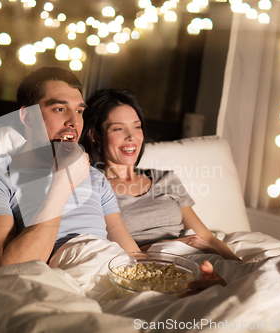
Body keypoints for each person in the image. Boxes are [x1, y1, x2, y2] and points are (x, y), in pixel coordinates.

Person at [0, 67, 225, 292]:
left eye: (79, 111)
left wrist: (176, 283)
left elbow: (132, 257)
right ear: (27, 116)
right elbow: (9, 272)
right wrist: (62, 183)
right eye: (60, 109)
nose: (74, 122)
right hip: (62, 278)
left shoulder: (95, 179)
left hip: (112, 270)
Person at [79, 88, 240, 261]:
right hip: (154, 266)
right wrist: (170, 245)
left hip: (198, 258)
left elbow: (207, 238)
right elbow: (114, 250)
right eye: (118, 129)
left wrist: (240, 266)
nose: (131, 136)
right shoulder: (95, 189)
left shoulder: (165, 179)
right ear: (95, 135)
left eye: (137, 126)